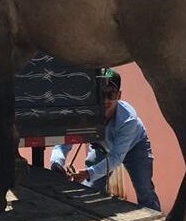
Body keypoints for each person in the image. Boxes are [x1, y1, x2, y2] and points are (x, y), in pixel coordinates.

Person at [50, 69, 162, 211]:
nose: (105, 100)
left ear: (119, 95)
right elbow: (65, 141)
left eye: (111, 94)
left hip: (135, 147)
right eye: (101, 93)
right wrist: (57, 162)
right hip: (102, 147)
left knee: (144, 189)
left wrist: (88, 173)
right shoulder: (85, 112)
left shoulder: (128, 120)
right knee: (90, 190)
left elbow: (116, 158)